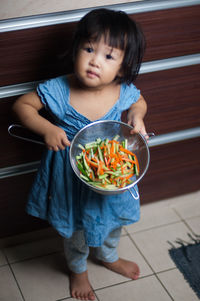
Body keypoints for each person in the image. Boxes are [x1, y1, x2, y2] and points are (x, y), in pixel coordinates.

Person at [13, 8, 147, 301]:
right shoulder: (60, 89)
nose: (95, 61)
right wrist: (46, 129)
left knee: (113, 222)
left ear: (123, 68)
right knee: (75, 230)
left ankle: (109, 256)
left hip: (109, 178)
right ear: (76, 48)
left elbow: (139, 102)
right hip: (69, 176)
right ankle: (78, 270)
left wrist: (137, 118)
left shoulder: (121, 88)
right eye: (89, 48)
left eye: (109, 56)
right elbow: (22, 106)